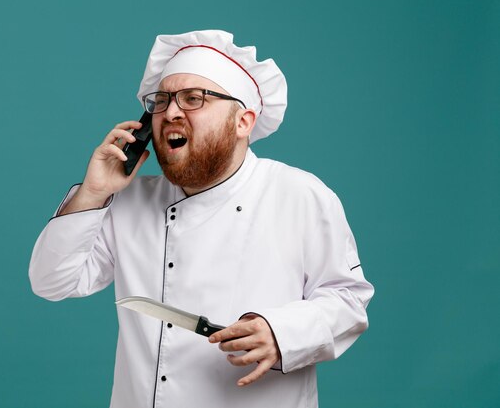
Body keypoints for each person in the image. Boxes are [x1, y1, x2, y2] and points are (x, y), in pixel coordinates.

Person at [29, 30, 374, 408]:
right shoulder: (129, 201)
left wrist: (282, 333)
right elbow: (51, 281)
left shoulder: (299, 195)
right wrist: (94, 192)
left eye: (194, 99)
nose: (171, 112)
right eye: (161, 101)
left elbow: (347, 300)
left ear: (243, 122)